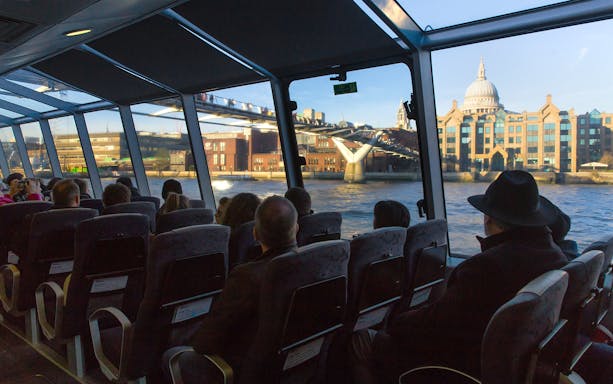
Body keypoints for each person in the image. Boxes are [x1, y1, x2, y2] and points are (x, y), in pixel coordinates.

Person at [348, 170, 568, 383]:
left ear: (490, 218)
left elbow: (436, 329)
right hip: (509, 365)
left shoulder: (485, 267)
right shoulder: (556, 257)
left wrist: (396, 322)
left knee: (360, 341)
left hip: (459, 367)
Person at [189, 195, 299, 379]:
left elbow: (204, 342)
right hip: (288, 369)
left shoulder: (247, 277)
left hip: (242, 368)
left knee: (173, 356)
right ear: (296, 229)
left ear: (255, 234)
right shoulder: (312, 267)